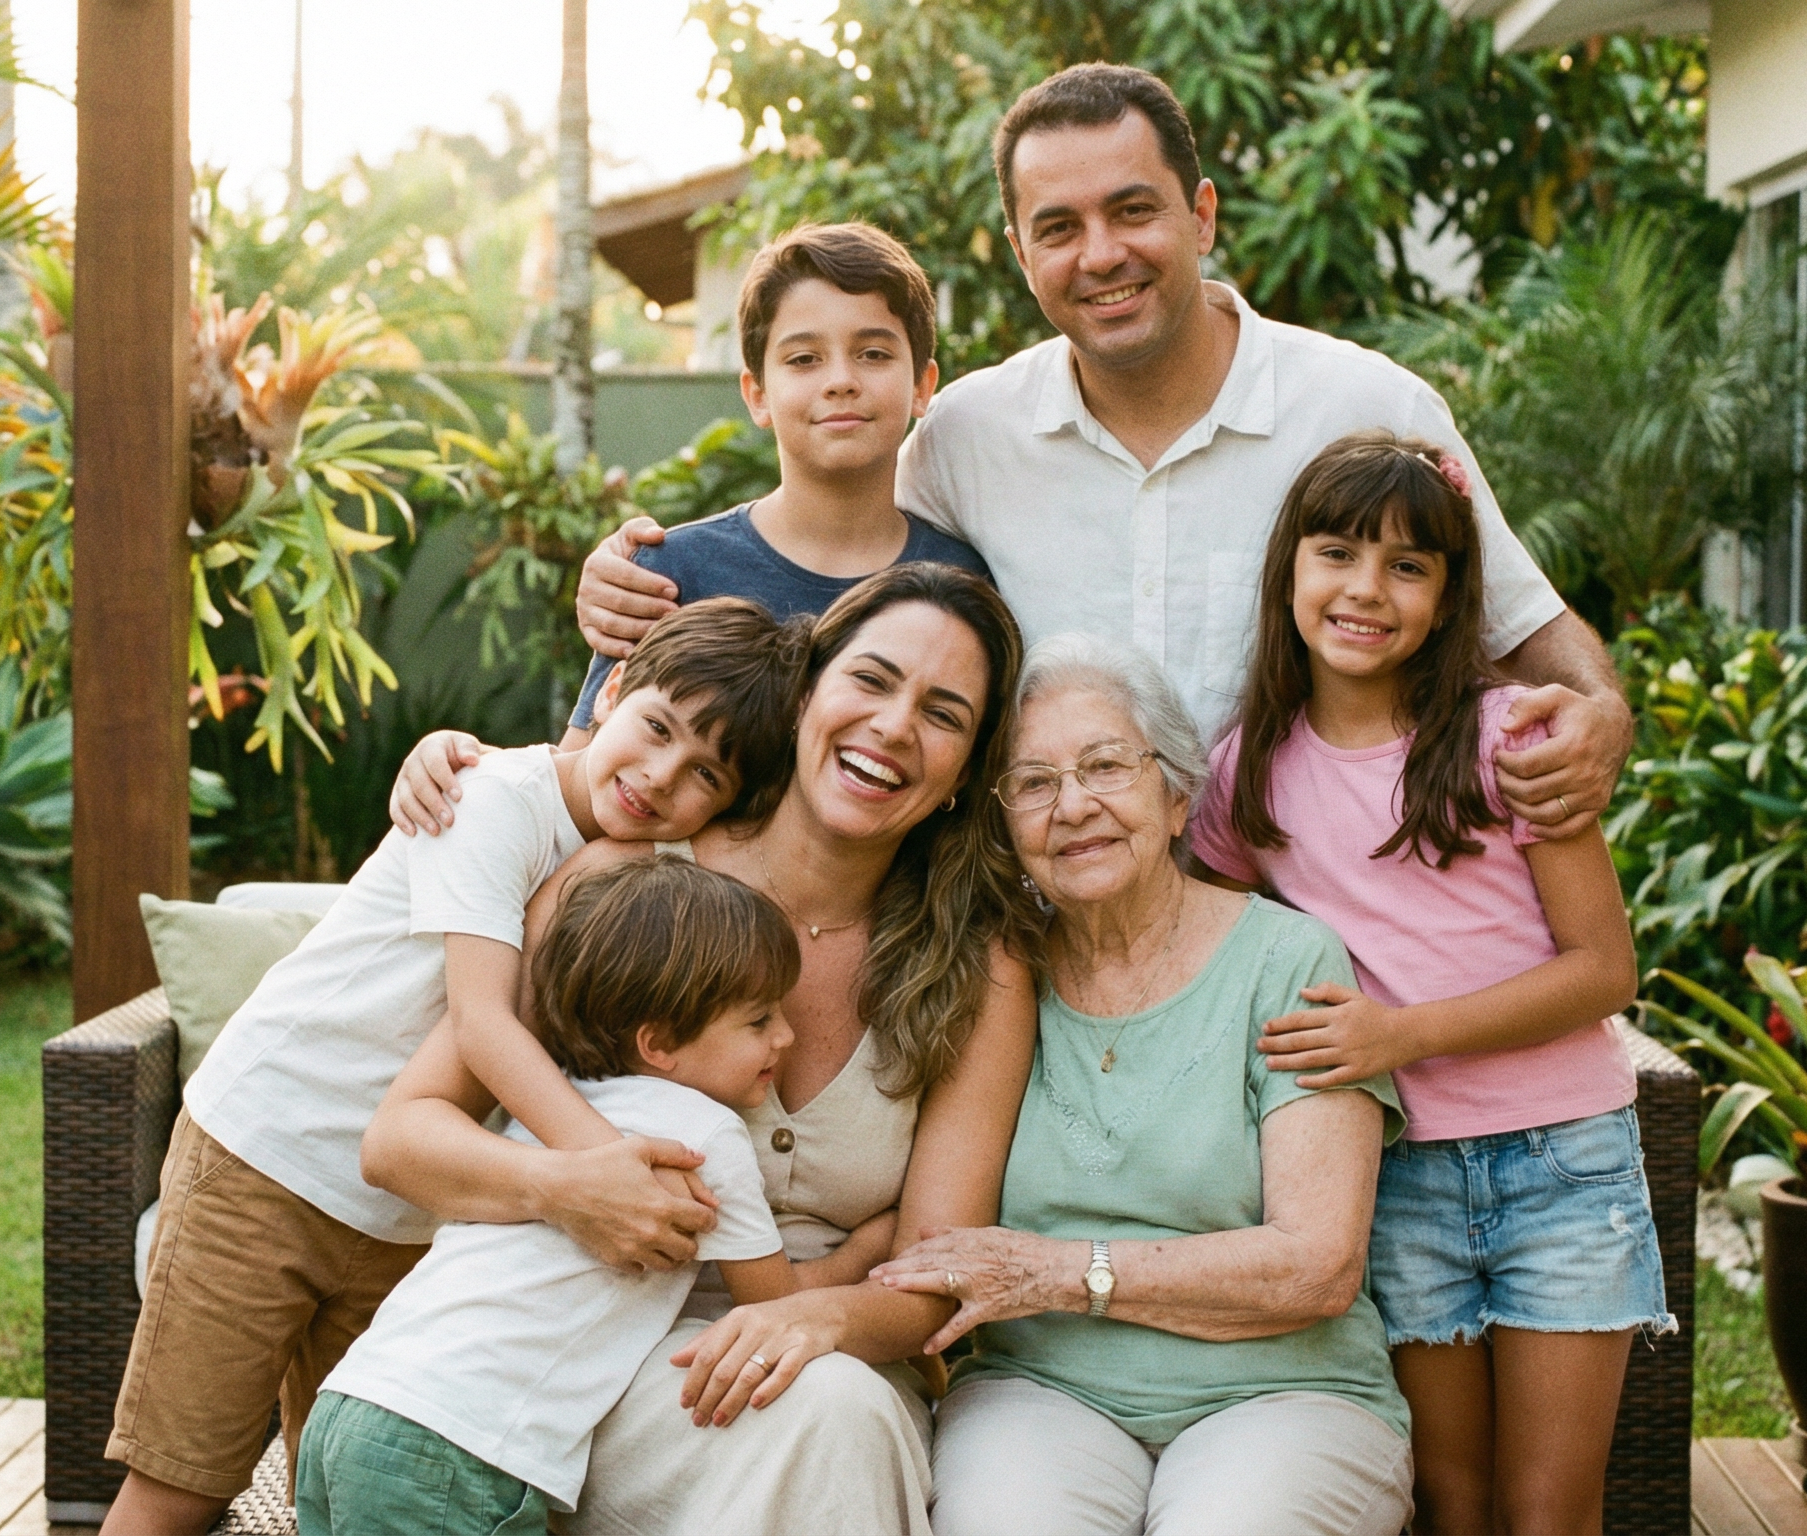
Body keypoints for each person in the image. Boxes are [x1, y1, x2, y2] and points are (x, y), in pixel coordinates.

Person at [559, 61, 1634, 847]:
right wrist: (642, 569)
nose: (1102, 254)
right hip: (1049, 937)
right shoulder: (968, 436)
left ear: (1200, 215)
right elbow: (827, 517)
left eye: (1133, 211)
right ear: (1021, 252)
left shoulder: (1365, 406)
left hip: (1322, 934)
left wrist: (1599, 716)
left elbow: (1530, 634)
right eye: (1059, 227)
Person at [98, 599, 812, 1536]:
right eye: (656, 729)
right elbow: (482, 1024)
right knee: (183, 1483)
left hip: (408, 1213)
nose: (659, 775)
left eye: (703, 774)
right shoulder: (490, 799)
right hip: (267, 1153)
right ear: (616, 690)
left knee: (358, 1488)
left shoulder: (627, 862)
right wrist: (605, 1165)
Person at [362, 564, 1039, 1536]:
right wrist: (567, 1186)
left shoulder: (979, 963)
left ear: (965, 774)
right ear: (807, 693)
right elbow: (402, 1141)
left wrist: (817, 1320)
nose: (892, 726)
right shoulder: (622, 881)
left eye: (941, 714)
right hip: (578, 1364)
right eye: (871, 680)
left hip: (828, 1361)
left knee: (838, 1411)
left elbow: (934, 1266)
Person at [1185, 432, 1670, 1535]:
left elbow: (1604, 972)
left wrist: (1397, 1035)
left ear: (1451, 599)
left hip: (1564, 1165)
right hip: (1391, 1176)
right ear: (1289, 574)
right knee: (1448, 1499)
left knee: (1547, 1510)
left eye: (1408, 565)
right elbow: (1204, 935)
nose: (1366, 588)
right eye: (1338, 553)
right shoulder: (1245, 769)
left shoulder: (1511, 738)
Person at [875, 632, 1413, 1536]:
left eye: (1104, 766)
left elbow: (1317, 1267)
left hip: (1286, 1393)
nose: (1072, 805)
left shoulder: (1286, 960)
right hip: (1041, 1390)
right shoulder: (1001, 980)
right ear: (1003, 823)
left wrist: (1062, 1272)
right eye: (1034, 783)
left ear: (1175, 795)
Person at [388, 221, 989, 829]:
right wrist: (462, 767)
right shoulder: (669, 572)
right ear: (756, 394)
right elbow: (571, 796)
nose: (841, 378)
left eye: (874, 353)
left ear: (922, 386)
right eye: (804, 358)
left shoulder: (960, 587)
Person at [300, 858, 801, 1535]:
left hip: (353, 1403)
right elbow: (775, 1305)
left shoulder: (543, 1106)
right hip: (455, 1450)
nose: (786, 1037)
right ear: (659, 1044)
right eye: (759, 1020)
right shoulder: (707, 1137)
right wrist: (874, 1248)